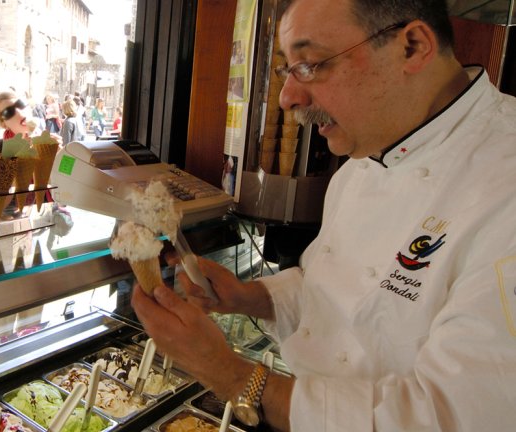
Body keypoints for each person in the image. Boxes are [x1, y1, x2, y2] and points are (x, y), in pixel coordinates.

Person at [131, 1, 516, 431]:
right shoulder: (361, 163)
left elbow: (453, 418)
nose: (288, 97)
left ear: (412, 46)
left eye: (311, 65)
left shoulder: (504, 188)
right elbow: (338, 290)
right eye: (288, 70)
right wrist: (248, 297)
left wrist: (230, 375)